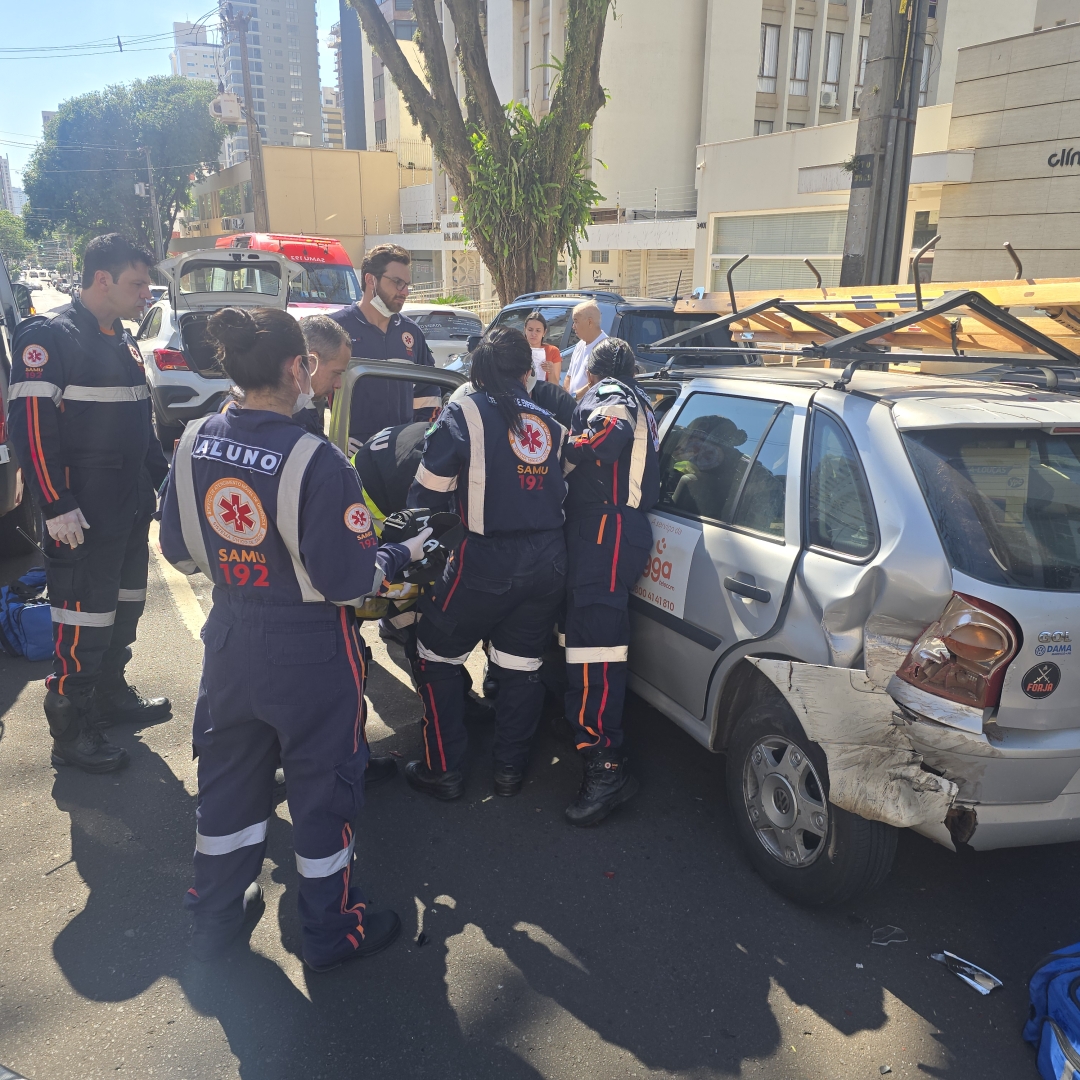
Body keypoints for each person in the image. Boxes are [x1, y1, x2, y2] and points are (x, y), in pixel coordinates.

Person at [158, 306, 430, 970]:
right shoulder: (317, 461)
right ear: (295, 367)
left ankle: (217, 913)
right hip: (309, 651)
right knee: (322, 789)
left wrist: (241, 570)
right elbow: (349, 582)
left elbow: (177, 549)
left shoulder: (194, 441)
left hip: (230, 637)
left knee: (228, 782)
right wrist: (401, 553)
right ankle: (330, 930)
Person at [7, 233, 171, 774]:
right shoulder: (49, 336)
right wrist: (55, 504)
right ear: (103, 279)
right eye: (138, 283)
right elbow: (31, 427)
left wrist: (163, 483)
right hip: (81, 512)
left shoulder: (120, 338)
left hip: (128, 507)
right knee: (83, 616)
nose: (146, 293)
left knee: (125, 605)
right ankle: (71, 727)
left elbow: (141, 420)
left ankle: (109, 694)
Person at [404, 327, 568, 801]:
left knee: (434, 654)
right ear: (527, 372)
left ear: (477, 371)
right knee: (522, 666)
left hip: (485, 560)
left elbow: (426, 497)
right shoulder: (552, 424)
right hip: (549, 560)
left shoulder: (465, 412)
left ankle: (444, 769)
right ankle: (509, 772)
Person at [561, 337, 659, 826]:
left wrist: (565, 444)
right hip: (612, 528)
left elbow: (610, 435)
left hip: (606, 529)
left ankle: (605, 766)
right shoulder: (642, 398)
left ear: (592, 373)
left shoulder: (610, 392)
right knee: (587, 640)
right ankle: (592, 741)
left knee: (594, 647)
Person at [330, 244, 441, 449]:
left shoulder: (411, 333)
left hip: (398, 454)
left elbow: (429, 395)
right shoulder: (335, 328)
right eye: (398, 283)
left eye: (407, 284)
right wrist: (332, 442)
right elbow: (311, 394)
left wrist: (417, 438)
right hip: (350, 453)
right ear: (370, 280)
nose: (405, 291)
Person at [295, 314, 353, 436]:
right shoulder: (292, 416)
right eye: (336, 373)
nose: (338, 384)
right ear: (311, 362)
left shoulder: (298, 409)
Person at [562, 300, 608, 398]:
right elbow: (569, 376)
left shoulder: (605, 348)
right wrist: (567, 400)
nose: (573, 326)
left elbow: (597, 385)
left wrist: (573, 397)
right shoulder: (580, 344)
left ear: (589, 322)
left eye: (576, 321)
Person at [523, 310, 562, 386]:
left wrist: (551, 371)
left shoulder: (553, 351)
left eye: (538, 331)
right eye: (530, 330)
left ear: (544, 332)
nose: (533, 334)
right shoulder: (518, 349)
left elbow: (554, 386)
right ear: (525, 330)